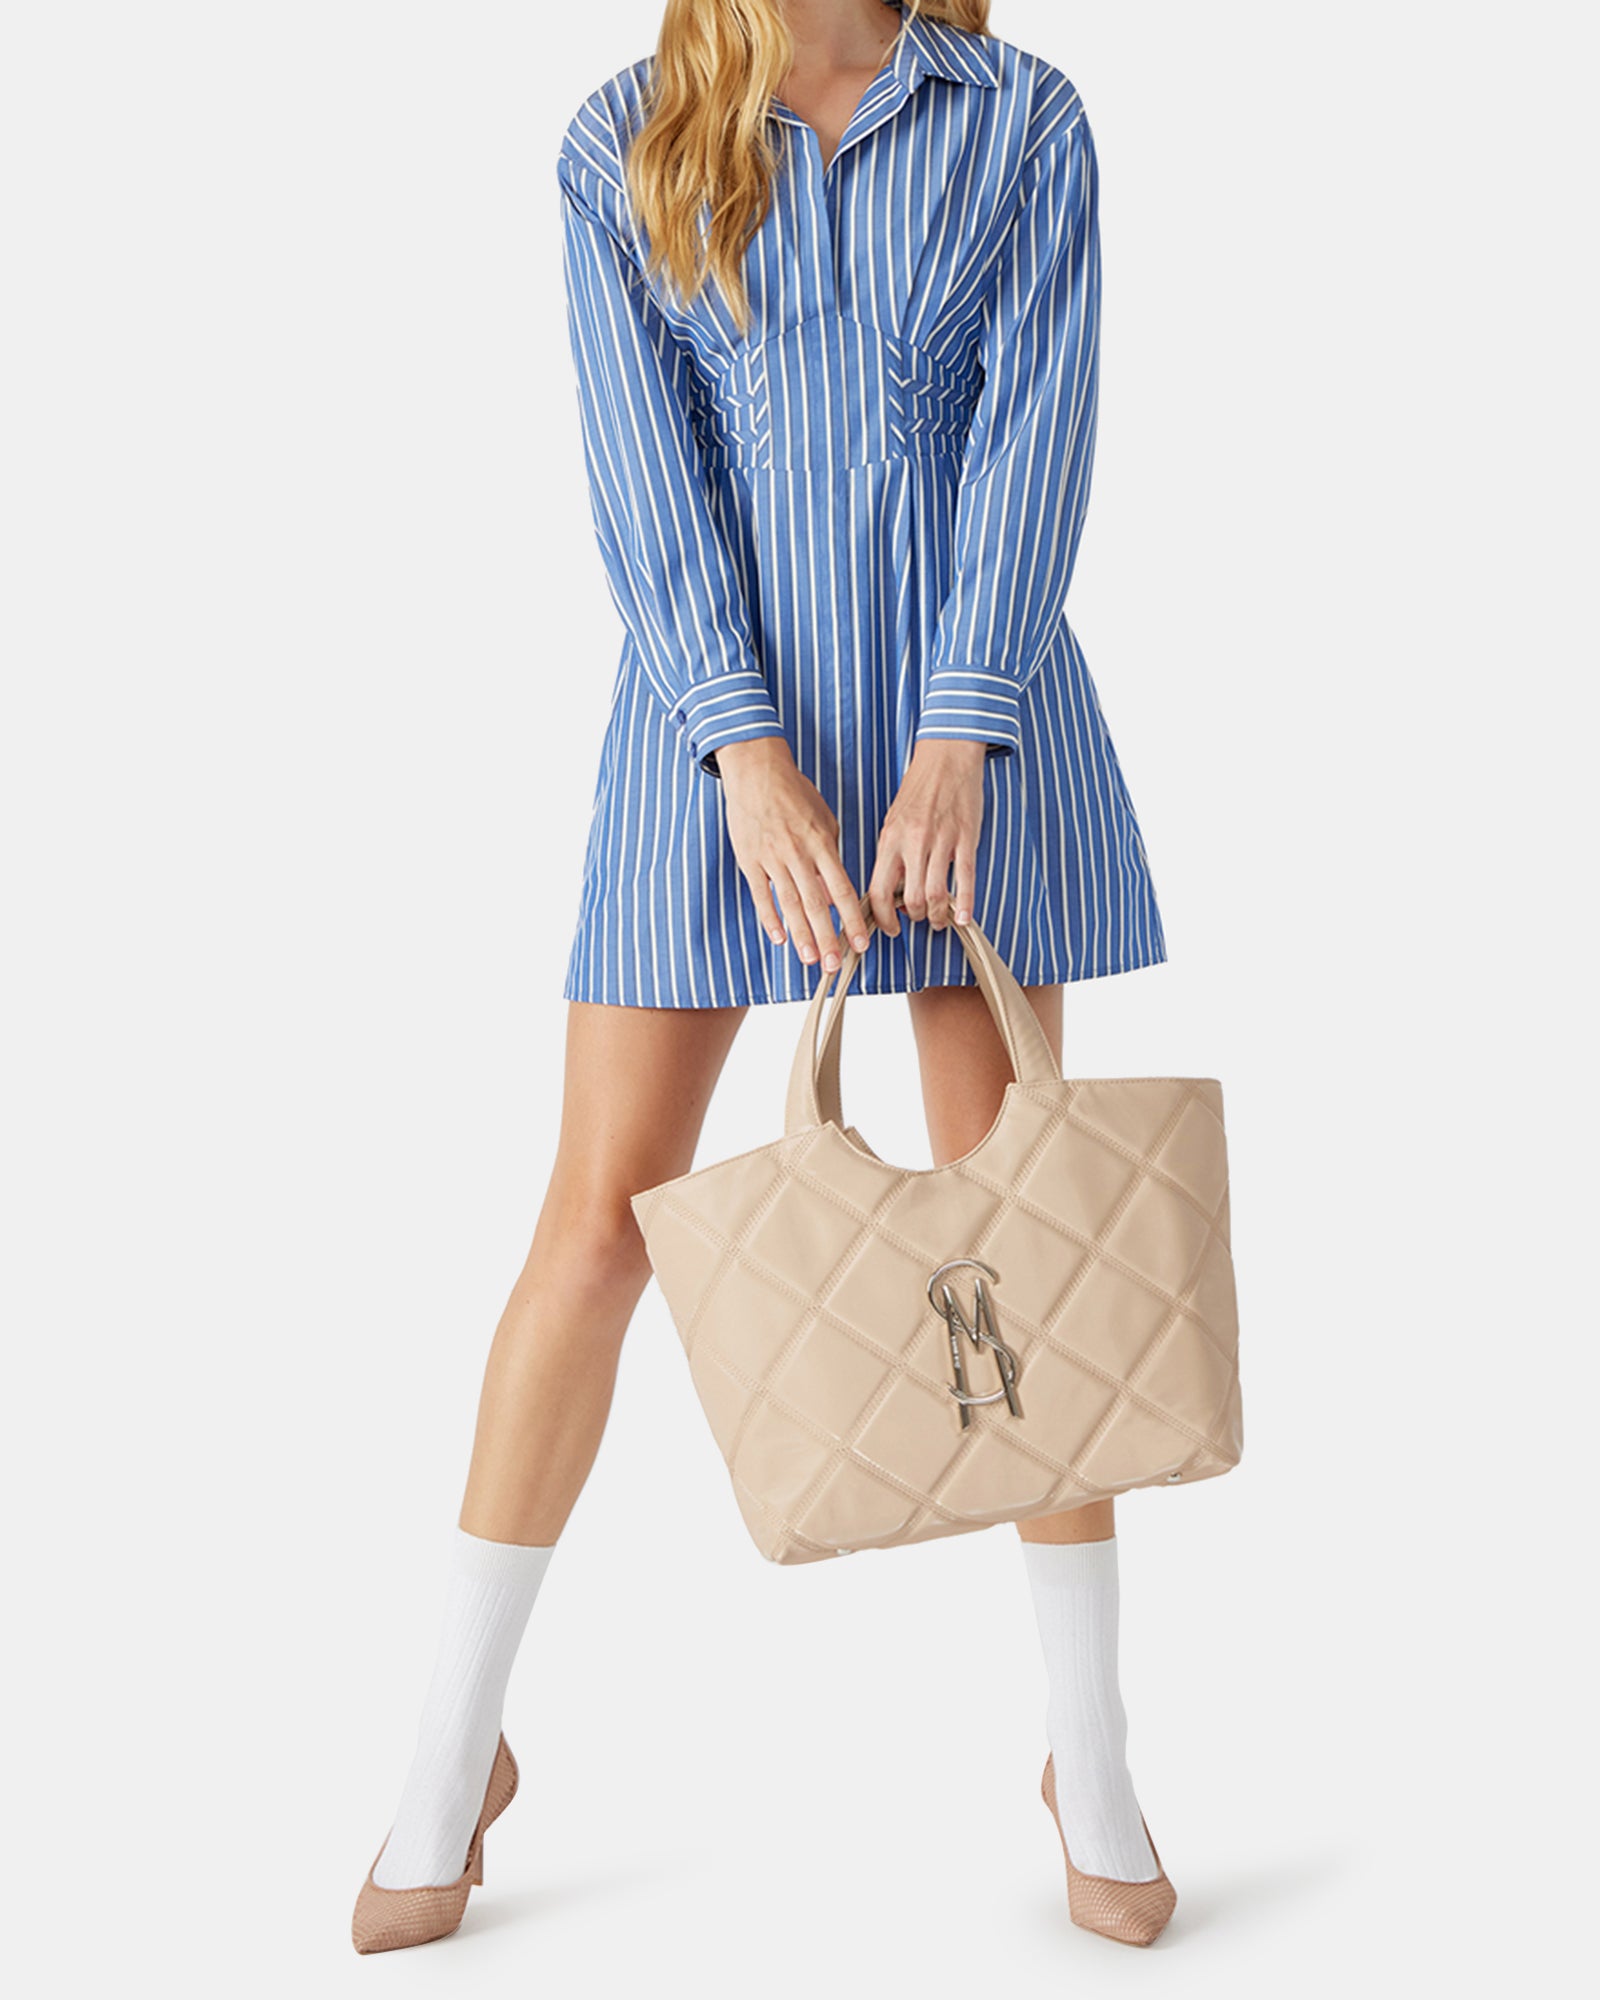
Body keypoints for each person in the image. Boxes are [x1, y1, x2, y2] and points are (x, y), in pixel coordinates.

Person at [353, 0, 1174, 1954]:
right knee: (595, 1228)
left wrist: (961, 729)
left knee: (1021, 1232)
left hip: (972, 730)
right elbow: (642, 483)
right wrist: (741, 748)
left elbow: (1037, 435)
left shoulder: (1021, 120)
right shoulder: (621, 140)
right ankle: (449, 1749)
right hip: (709, 749)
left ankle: (1089, 1746)